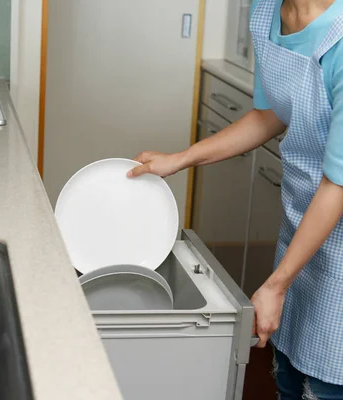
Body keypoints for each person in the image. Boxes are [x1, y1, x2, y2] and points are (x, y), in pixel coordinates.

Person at [127, 0, 343, 398]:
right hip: (302, 227)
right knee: (289, 375)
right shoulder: (265, 11)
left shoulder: (339, 39)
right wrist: (180, 159)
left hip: (337, 232)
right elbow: (269, 114)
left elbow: (338, 185)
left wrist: (276, 285)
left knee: (327, 382)